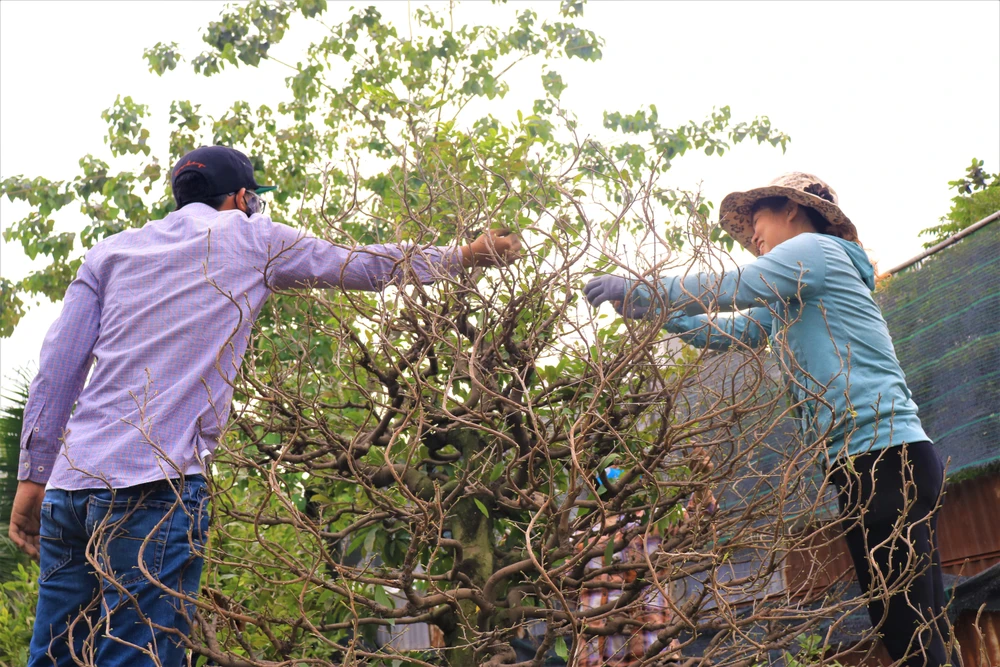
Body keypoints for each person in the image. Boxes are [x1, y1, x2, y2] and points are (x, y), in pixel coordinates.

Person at [8, 145, 522, 667]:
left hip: (70, 491)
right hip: (152, 485)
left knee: (54, 655)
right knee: (138, 656)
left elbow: (57, 368)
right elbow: (360, 264)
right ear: (241, 198)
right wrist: (463, 256)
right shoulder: (253, 237)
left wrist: (34, 478)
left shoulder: (110, 251)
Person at [583, 173, 959, 666]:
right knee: (914, 626)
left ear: (791, 211)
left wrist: (645, 288)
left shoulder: (815, 253)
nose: (752, 234)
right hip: (875, 459)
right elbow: (729, 333)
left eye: (756, 218)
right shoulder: (796, 291)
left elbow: (731, 286)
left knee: (907, 631)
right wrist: (655, 310)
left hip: (882, 455)